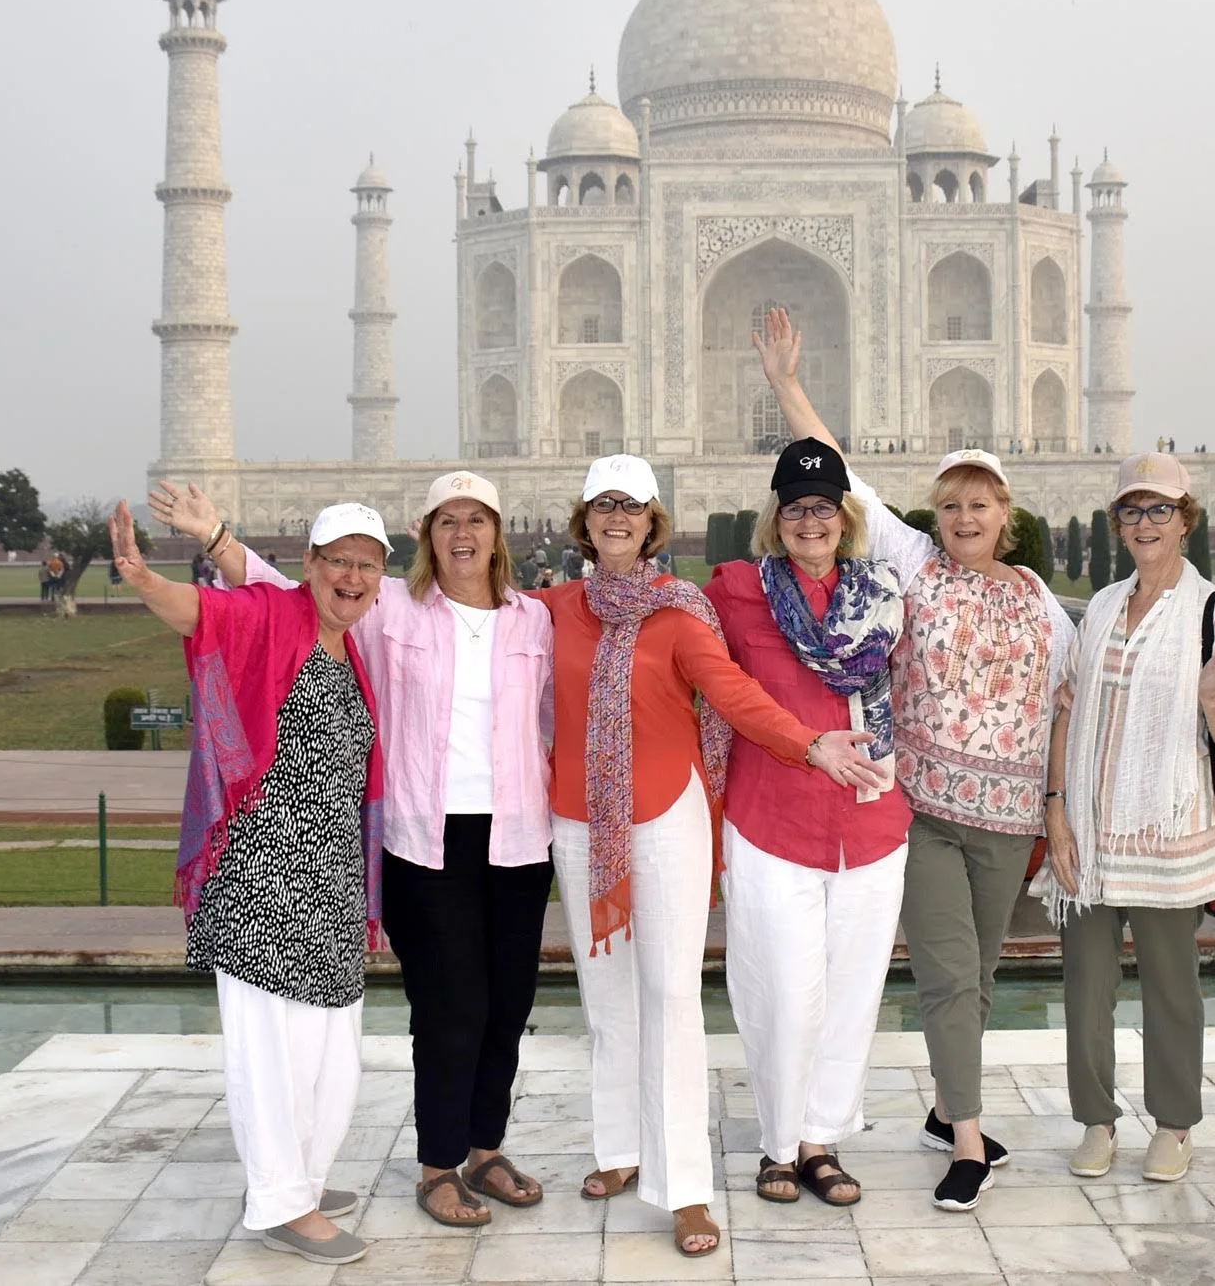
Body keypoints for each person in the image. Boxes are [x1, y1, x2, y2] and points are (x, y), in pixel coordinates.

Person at [152, 472, 559, 1231]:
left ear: (497, 533)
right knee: (451, 1008)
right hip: (423, 839)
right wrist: (216, 539)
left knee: (507, 1005)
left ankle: (485, 1149)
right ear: (427, 534)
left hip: (516, 838)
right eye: (447, 521)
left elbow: (556, 714)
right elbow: (292, 598)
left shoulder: (534, 619)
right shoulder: (390, 607)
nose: (462, 534)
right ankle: (439, 1166)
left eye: (476, 519)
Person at [754, 307, 1076, 1213]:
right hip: (925, 811)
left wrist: (1058, 806)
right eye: (953, 505)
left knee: (980, 973)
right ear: (938, 516)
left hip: (1008, 820)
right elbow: (839, 479)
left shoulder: (1041, 599)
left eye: (981, 505)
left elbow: (1068, 701)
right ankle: (968, 1141)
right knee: (946, 971)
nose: (966, 517)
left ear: (1006, 516)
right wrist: (786, 385)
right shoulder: (917, 563)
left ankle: (943, 1109)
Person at [532, 453, 879, 1259]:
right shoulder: (549, 610)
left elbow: (734, 694)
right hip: (581, 822)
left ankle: (683, 1186)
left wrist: (809, 743)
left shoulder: (678, 613)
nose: (617, 518)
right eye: (604, 505)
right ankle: (621, 1146)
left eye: (632, 507)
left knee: (670, 998)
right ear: (584, 521)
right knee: (606, 997)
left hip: (665, 820)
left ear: (653, 523)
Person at [112, 497, 389, 1267]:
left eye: (367, 564)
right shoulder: (273, 615)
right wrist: (144, 579)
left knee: (330, 1055)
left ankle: (301, 1179)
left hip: (329, 883)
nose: (352, 576)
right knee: (273, 1057)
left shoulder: (348, 647)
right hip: (263, 879)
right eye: (339, 560)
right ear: (310, 565)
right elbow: (202, 613)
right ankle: (281, 1202)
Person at [1033, 451, 1215, 1187]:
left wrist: (1210, 697)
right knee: (1086, 988)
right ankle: (1096, 1120)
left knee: (1171, 988)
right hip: (1090, 832)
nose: (1145, 524)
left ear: (1184, 520)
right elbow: (1066, 712)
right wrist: (1057, 812)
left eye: (1159, 510)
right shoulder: (1102, 607)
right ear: (1118, 523)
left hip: (1169, 834)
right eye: (1133, 511)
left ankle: (1173, 1124)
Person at [702, 437, 910, 1209]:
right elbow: (707, 678)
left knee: (852, 994)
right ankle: (778, 1142)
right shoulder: (735, 592)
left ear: (845, 516)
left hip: (871, 819)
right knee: (785, 994)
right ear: (776, 518)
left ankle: (820, 1141)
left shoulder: (884, 593)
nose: (810, 522)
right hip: (772, 818)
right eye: (796, 509)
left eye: (823, 508)